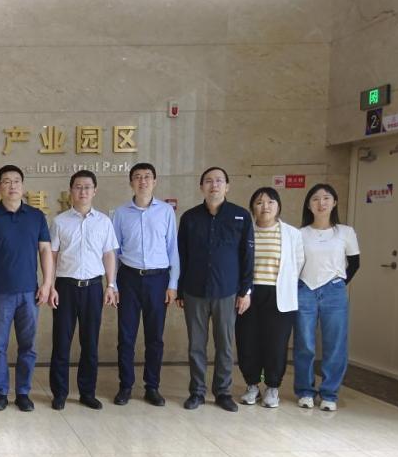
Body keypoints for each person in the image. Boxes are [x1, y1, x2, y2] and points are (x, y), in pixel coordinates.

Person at [0, 164, 53, 411]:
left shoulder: (36, 216)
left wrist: (47, 283)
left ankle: (23, 392)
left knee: (28, 346)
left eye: (16, 181)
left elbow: (45, 250)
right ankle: (0, 393)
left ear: (23, 186)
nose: (12, 185)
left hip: (30, 292)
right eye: (6, 181)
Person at [177, 166, 254, 412]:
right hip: (194, 290)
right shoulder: (189, 218)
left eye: (219, 181)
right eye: (209, 181)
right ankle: (197, 392)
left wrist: (245, 291)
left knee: (225, 345)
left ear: (227, 186)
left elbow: (247, 256)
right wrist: (179, 289)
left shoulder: (241, 216)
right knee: (196, 345)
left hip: (227, 292)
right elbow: (181, 256)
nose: (214, 185)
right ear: (201, 187)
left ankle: (223, 392)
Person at [48, 170, 119, 410]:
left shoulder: (104, 222)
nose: (83, 191)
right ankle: (59, 393)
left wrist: (111, 284)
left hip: (93, 288)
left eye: (87, 187)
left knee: (90, 343)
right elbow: (52, 255)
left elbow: (109, 254)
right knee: (61, 342)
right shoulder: (59, 221)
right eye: (78, 187)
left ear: (94, 191)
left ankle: (87, 392)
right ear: (71, 191)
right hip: (65, 287)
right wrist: (50, 286)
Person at [111, 162, 180, 407]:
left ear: (155, 181)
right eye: (138, 177)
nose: (143, 181)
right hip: (128, 279)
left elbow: (173, 249)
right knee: (126, 337)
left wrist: (173, 284)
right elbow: (114, 251)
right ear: (131, 182)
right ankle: (125, 386)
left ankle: (152, 386)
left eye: (147, 176)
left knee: (155, 337)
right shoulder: (120, 213)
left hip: (158, 280)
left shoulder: (166, 212)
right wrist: (112, 284)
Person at [236, 187, 305, 408]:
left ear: (278, 206)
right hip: (248, 295)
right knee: (248, 341)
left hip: (279, 295)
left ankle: (272, 387)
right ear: (252, 208)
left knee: (275, 344)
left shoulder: (292, 234)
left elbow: (298, 263)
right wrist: (243, 291)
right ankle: (252, 385)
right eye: (259, 202)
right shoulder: (245, 231)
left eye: (270, 202)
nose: (265, 206)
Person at [294, 183, 360, 411]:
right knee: (305, 343)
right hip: (305, 290)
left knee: (335, 344)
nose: (321, 203)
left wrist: (338, 284)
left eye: (326, 198)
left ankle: (329, 394)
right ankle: (305, 391)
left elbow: (355, 263)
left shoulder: (345, 232)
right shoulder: (300, 234)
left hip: (334, 291)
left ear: (334, 202)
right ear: (308, 205)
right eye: (315, 199)